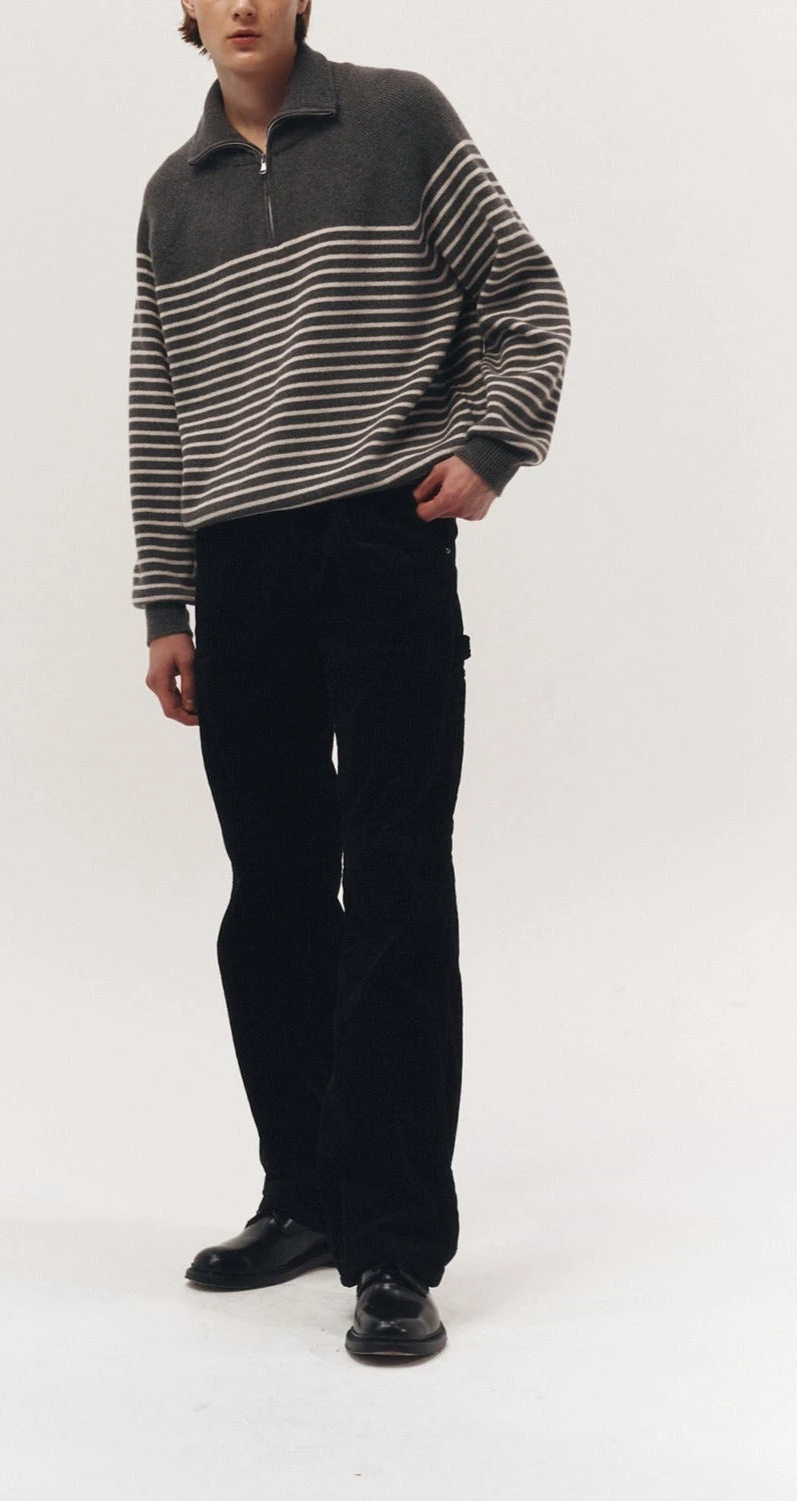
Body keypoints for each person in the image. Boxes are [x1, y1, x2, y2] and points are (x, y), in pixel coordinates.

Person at [129, 0, 571, 1361]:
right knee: (270, 891)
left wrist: (491, 445)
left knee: (392, 876)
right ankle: (306, 1196)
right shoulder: (173, 195)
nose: (244, 5)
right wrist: (167, 601)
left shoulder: (397, 118)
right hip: (239, 566)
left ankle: (393, 1245)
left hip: (382, 542)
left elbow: (525, 291)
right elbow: (158, 404)